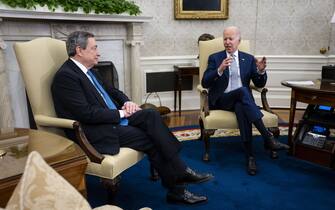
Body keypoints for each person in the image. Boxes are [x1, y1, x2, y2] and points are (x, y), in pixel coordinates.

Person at [51, 31, 213, 204]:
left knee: (150, 114)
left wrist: (127, 103)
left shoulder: (91, 72)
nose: (98, 52)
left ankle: (180, 172)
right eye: (94, 48)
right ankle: (178, 185)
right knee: (151, 138)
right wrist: (121, 113)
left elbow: (114, 92)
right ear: (79, 50)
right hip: (96, 131)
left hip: (114, 120)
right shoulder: (66, 77)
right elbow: (85, 114)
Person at [201, 26, 289, 176]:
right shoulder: (215, 58)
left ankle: (250, 157)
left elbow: (259, 84)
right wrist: (220, 69)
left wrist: (261, 71)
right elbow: (205, 83)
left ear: (239, 41)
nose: (227, 42)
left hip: (241, 101)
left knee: (242, 107)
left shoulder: (248, 59)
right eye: (225, 39)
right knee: (243, 91)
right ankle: (267, 137)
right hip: (222, 100)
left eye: (231, 38)